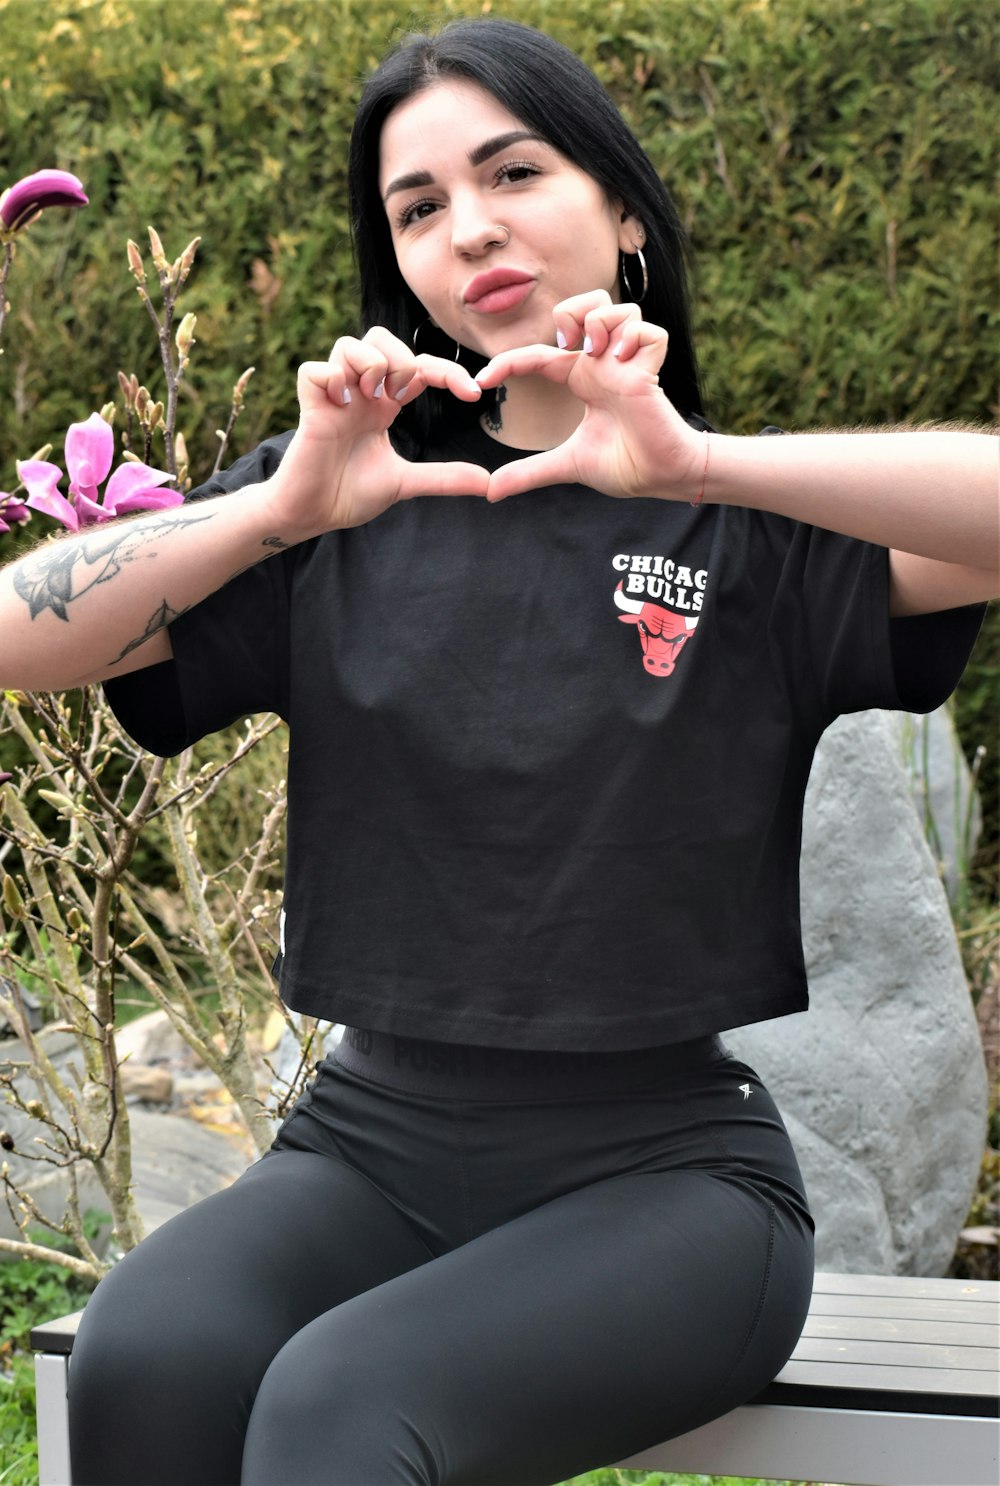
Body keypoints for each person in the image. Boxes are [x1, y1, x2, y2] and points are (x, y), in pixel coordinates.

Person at [2, 17, 996, 1486]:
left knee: (341, 1406)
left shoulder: (744, 529)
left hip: (671, 1179)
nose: (470, 229)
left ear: (624, 209)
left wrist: (698, 461)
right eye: (418, 208)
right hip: (371, 1143)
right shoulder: (338, 505)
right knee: (147, 1355)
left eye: (514, 171)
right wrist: (275, 515)